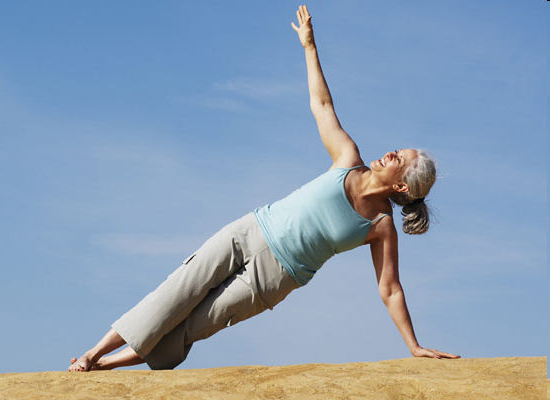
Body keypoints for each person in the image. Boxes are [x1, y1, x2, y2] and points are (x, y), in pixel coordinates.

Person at [68, 5, 460, 372]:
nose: (390, 152)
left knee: (195, 326)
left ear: (403, 184)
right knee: (177, 291)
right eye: (397, 150)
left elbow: (389, 289)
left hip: (274, 277)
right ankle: (94, 351)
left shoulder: (380, 225)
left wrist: (413, 345)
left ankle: (104, 368)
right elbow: (322, 105)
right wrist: (310, 47)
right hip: (250, 231)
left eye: (399, 158)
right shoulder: (348, 158)